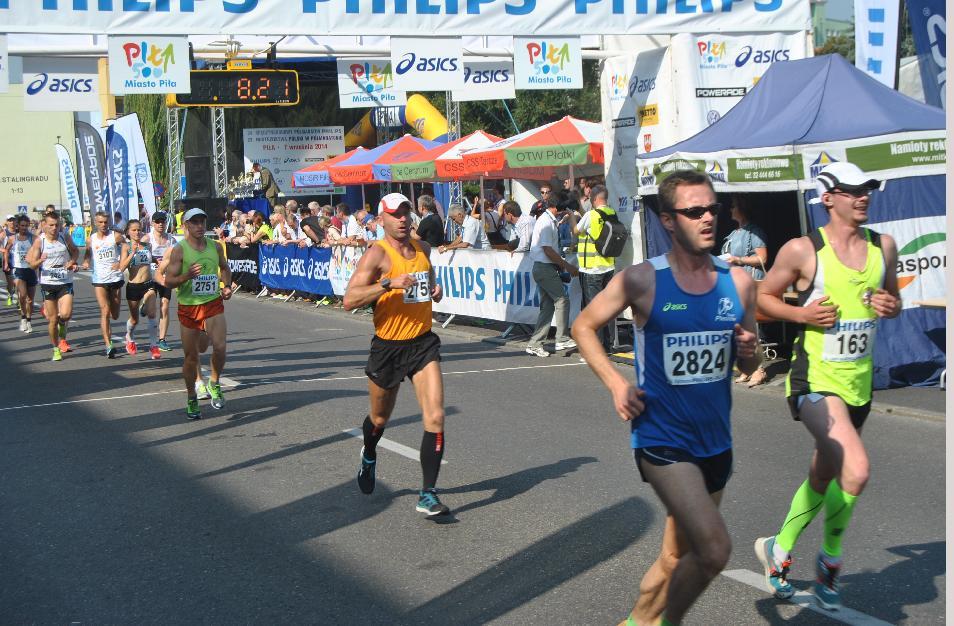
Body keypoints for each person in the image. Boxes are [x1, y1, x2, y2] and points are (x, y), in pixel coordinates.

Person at [572, 169, 760, 626]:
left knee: (677, 557)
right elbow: (583, 326)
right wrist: (617, 383)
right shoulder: (643, 280)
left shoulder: (739, 283)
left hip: (715, 442)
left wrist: (750, 355)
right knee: (714, 549)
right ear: (669, 220)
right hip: (662, 440)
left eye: (711, 208)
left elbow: (749, 367)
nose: (707, 218)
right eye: (693, 211)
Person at [753, 162, 901, 611]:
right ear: (829, 196)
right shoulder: (803, 250)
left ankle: (777, 549)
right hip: (815, 380)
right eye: (854, 190)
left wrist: (890, 305)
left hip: (858, 383)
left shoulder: (884, 246)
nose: (863, 197)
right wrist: (802, 315)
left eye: (868, 189)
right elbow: (761, 300)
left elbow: (892, 301)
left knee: (823, 474)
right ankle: (829, 567)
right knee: (855, 469)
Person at [343, 193, 449, 518]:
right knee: (379, 419)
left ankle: (428, 494)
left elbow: (427, 285)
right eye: (395, 214)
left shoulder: (423, 249)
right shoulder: (377, 254)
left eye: (406, 213)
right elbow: (349, 300)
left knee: (436, 416)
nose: (403, 219)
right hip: (388, 348)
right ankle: (369, 453)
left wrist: (435, 291)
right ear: (382, 220)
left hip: (422, 343)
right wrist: (388, 284)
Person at [159, 208, 233, 420]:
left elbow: (225, 268)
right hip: (189, 307)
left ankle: (214, 382)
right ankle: (192, 396)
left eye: (202, 221)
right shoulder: (179, 250)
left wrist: (226, 285)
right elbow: (169, 281)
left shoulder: (215, 247)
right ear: (186, 226)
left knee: (219, 347)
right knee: (192, 356)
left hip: (212, 304)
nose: (200, 226)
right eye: (195, 222)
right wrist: (187, 275)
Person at [721, 195, 770, 386]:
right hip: (735, 285)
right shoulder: (734, 233)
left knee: (752, 328)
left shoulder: (754, 232)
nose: (730, 210)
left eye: (733, 206)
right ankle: (748, 368)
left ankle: (759, 370)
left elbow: (762, 259)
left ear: (741, 208)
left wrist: (738, 260)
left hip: (751, 284)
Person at [525, 190, 578, 358]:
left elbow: (548, 249)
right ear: (558, 207)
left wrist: (559, 265)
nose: (564, 211)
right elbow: (547, 250)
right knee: (562, 299)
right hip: (545, 267)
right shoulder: (546, 223)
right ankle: (561, 338)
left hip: (542, 267)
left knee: (547, 307)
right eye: (563, 208)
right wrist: (566, 266)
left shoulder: (547, 220)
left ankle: (535, 343)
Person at [27, 213, 80, 361]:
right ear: (44, 225)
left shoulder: (64, 237)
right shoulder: (40, 241)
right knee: (52, 320)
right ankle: (56, 348)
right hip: (48, 283)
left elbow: (75, 251)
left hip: (65, 281)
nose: (54, 228)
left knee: (66, 314)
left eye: (56, 225)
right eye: (51, 225)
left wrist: (72, 262)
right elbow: (32, 265)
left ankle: (63, 326)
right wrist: (40, 260)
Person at [573, 184, 618, 354]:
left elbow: (576, 231)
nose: (590, 200)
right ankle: (608, 343)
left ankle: (596, 348)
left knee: (594, 309)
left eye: (592, 197)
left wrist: (572, 217)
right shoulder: (612, 213)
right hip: (609, 267)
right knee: (607, 307)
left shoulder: (591, 215)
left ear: (596, 199)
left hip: (592, 270)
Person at [83, 211, 125, 358]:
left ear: (109, 222)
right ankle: (108, 344)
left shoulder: (116, 236)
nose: (103, 225)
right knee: (105, 311)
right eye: (100, 222)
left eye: (105, 222)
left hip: (115, 278)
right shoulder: (91, 239)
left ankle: (109, 341)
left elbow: (127, 248)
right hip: (99, 279)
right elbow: (88, 254)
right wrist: (87, 261)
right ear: (95, 222)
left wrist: (121, 262)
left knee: (115, 314)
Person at [118, 219, 160, 360]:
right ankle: (129, 337)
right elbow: (122, 267)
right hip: (133, 286)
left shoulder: (147, 245)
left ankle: (154, 346)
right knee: (134, 320)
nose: (137, 232)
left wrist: (158, 261)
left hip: (148, 284)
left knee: (153, 315)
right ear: (128, 232)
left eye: (139, 230)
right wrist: (132, 253)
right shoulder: (126, 247)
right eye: (134, 230)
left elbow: (150, 258)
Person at [142, 211, 177, 352]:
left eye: (163, 221)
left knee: (165, 305)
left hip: (165, 278)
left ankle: (162, 339)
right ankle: (144, 304)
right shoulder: (147, 238)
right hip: (150, 276)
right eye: (157, 222)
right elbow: (141, 258)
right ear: (152, 223)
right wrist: (155, 260)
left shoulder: (171, 239)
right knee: (151, 307)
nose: (161, 224)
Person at [4, 215, 37, 332]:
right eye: (22, 225)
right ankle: (23, 318)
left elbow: (40, 251)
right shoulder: (13, 238)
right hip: (18, 269)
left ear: (29, 225)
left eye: (26, 225)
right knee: (22, 296)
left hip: (31, 270)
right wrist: (6, 263)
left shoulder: (33, 238)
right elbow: (6, 250)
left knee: (30, 299)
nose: (24, 228)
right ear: (18, 226)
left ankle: (29, 320)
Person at [2, 215, 16, 307]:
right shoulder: (4, 233)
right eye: (9, 220)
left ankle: (19, 300)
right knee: (10, 282)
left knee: (18, 282)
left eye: (13, 220)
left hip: (18, 260)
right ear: (7, 222)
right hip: (8, 259)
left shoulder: (19, 232)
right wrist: (3, 250)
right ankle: (10, 295)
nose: (11, 222)